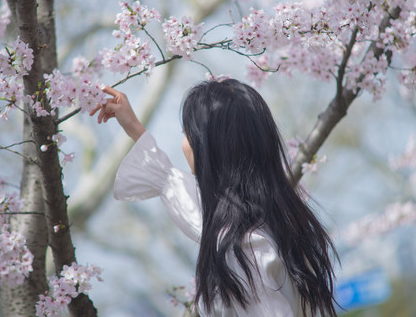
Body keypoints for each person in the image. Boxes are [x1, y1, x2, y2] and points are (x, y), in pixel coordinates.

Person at [91, 78, 339, 317]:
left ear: (209, 146)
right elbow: (195, 208)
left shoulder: (243, 247)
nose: (184, 144)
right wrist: (136, 130)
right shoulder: (277, 221)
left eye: (187, 133)